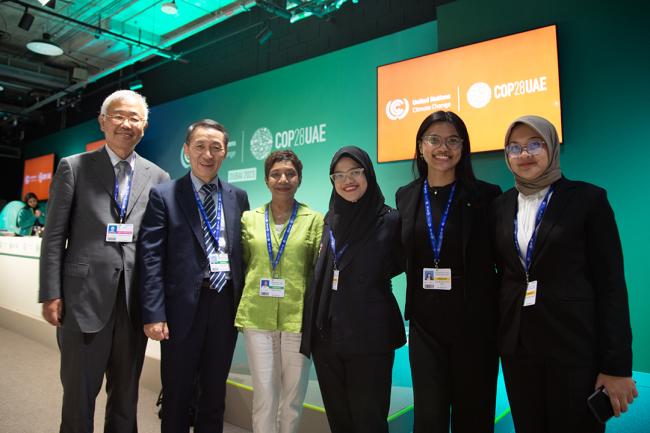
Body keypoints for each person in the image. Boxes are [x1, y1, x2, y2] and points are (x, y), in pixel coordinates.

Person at [492, 115, 638, 433]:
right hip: (518, 348)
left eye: (535, 144)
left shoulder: (588, 199)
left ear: (552, 147)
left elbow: (611, 284)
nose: (524, 154)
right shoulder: (500, 206)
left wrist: (616, 366)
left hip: (573, 346)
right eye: (514, 147)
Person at [39, 89, 170, 433]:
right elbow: (54, 236)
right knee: (79, 397)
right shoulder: (74, 168)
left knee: (126, 399)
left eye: (135, 118)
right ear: (102, 122)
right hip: (82, 301)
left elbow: (158, 248)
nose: (127, 124)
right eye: (119, 116)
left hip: (132, 305)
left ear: (144, 126)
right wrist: (50, 292)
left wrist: (157, 306)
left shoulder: (159, 177)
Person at [139, 118, 249, 433]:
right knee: (177, 395)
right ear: (187, 150)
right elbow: (151, 258)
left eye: (216, 147)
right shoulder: (165, 195)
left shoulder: (237, 197)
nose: (208, 153)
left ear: (226, 152)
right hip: (180, 311)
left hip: (224, 307)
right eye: (200, 146)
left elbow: (239, 254)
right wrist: (154, 312)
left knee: (214, 395)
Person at [395, 111, 501, 433]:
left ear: (463, 147)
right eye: (435, 140)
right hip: (426, 329)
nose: (444, 147)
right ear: (421, 146)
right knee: (429, 417)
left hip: (475, 326)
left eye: (453, 140)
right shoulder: (406, 195)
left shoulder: (486, 196)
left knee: (474, 414)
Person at [300, 146, 405, 433]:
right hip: (328, 340)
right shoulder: (329, 220)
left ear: (368, 173)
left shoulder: (391, 220)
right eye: (339, 175)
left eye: (355, 172)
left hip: (370, 339)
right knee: (339, 420)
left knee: (369, 420)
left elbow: (397, 263)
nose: (348, 181)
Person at [235, 150, 323, 433]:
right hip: (257, 318)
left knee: (293, 398)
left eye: (290, 173)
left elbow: (317, 269)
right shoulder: (249, 219)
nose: (283, 179)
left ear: (299, 178)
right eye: (275, 174)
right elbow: (244, 264)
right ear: (266, 179)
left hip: (298, 320)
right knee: (264, 394)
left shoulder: (314, 220)